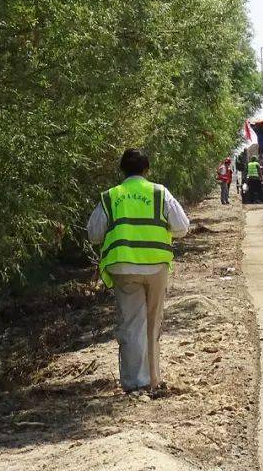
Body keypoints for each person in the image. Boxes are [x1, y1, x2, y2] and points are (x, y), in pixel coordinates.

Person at [87, 148, 190, 393]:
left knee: (132, 324)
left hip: (123, 267)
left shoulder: (111, 196)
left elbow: (93, 234)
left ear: (122, 171)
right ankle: (154, 379)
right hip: (156, 266)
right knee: (153, 323)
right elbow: (182, 226)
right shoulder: (159, 192)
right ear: (147, 170)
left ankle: (136, 383)